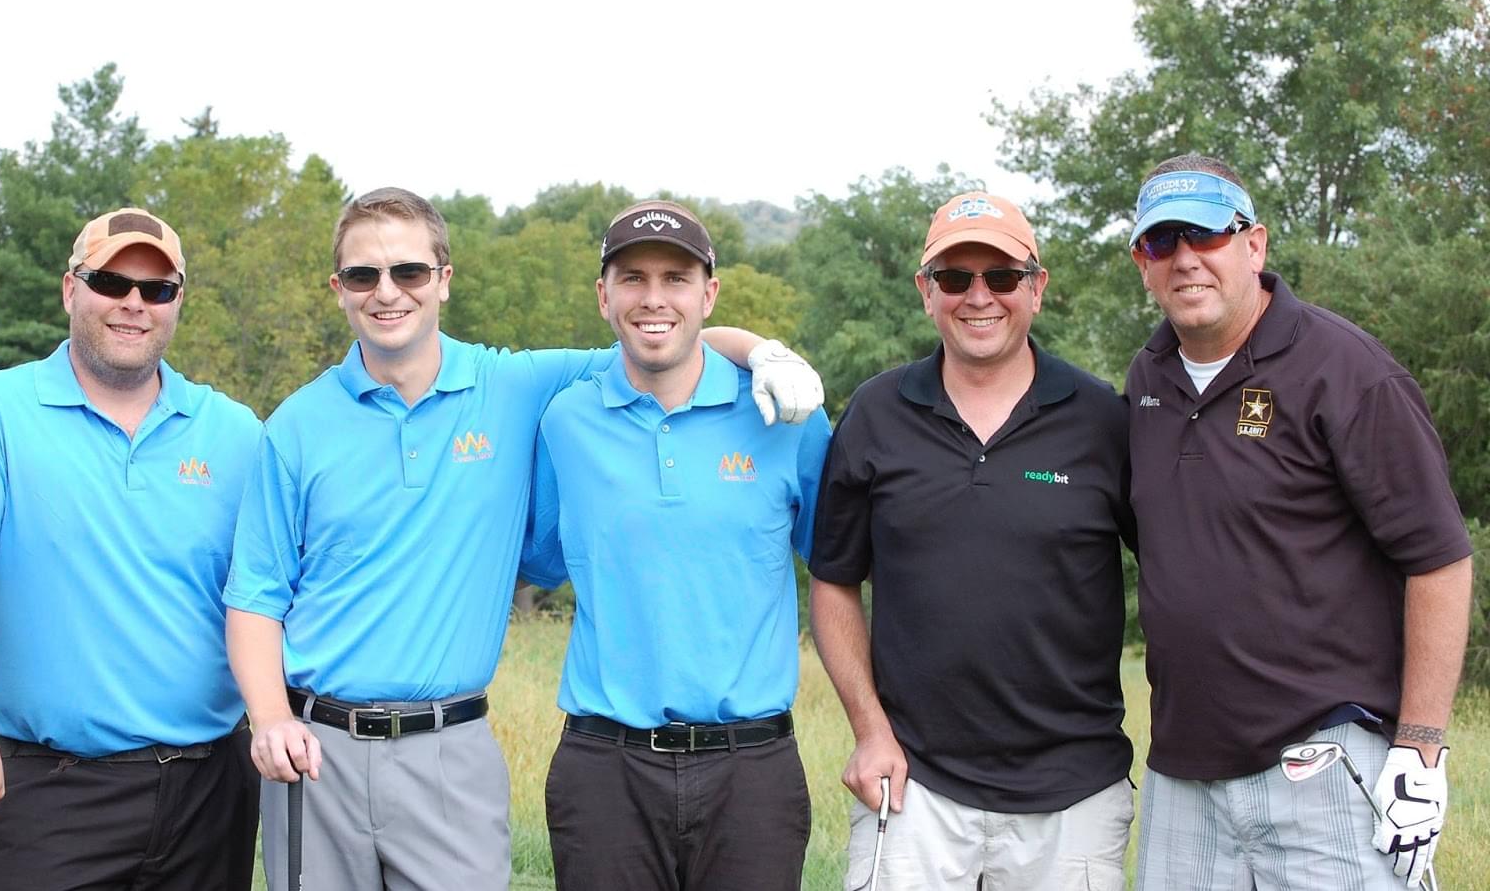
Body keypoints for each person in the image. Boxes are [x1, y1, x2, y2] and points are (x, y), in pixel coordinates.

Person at [223, 186, 824, 891]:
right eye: (364, 275)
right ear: (339, 289)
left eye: (409, 271)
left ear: (444, 280)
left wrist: (765, 351)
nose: (388, 292)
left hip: (451, 747)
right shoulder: (294, 425)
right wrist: (267, 716)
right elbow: (256, 593)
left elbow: (661, 338)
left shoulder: (512, 384)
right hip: (315, 743)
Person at [1124, 154, 1474, 890]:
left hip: (1324, 762)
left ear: (1255, 243)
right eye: (1163, 242)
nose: (1186, 259)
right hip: (1183, 772)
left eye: (1208, 236)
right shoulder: (1146, 380)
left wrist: (1420, 747)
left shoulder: (1346, 370)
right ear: (1142, 263)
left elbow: (1438, 558)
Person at [0, 208, 262, 889]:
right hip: (48, 790)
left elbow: (267, 594)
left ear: (177, 303)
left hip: (211, 790)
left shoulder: (236, 433)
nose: (133, 302)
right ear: (71, 289)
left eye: (156, 289)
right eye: (110, 280)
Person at [809, 191, 1137, 889]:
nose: (978, 295)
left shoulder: (1102, 418)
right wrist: (870, 729)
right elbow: (834, 578)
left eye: (1002, 276)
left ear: (1037, 287)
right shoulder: (876, 411)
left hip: (1073, 792)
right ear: (927, 292)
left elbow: (1178, 570)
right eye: (955, 277)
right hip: (910, 783)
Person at [519, 200, 831, 890]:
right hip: (606, 767)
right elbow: (535, 556)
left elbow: (838, 569)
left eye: (676, 278)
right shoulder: (566, 420)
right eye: (632, 278)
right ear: (603, 295)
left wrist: (764, 350)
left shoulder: (786, 411)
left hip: (751, 769)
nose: (654, 298)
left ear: (708, 293)